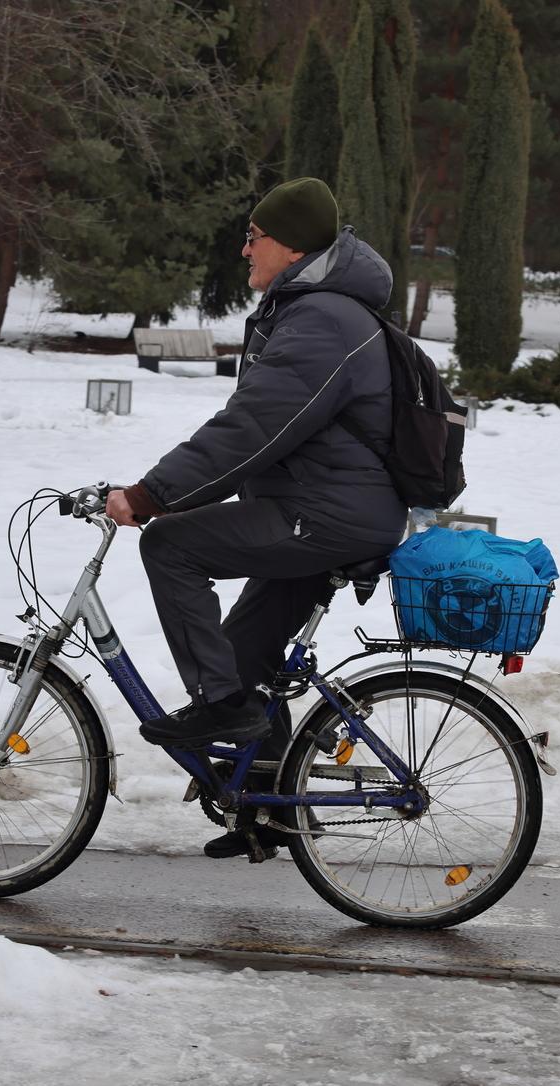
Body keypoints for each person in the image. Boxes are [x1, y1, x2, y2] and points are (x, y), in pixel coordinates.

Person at [104, 177, 407, 858]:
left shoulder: (324, 320)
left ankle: (220, 709)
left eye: (255, 235)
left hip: (328, 516)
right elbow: (260, 436)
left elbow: (252, 430)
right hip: (324, 509)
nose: (245, 249)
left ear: (291, 244)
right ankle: (266, 808)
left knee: (172, 547)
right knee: (243, 658)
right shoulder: (313, 309)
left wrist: (151, 496)